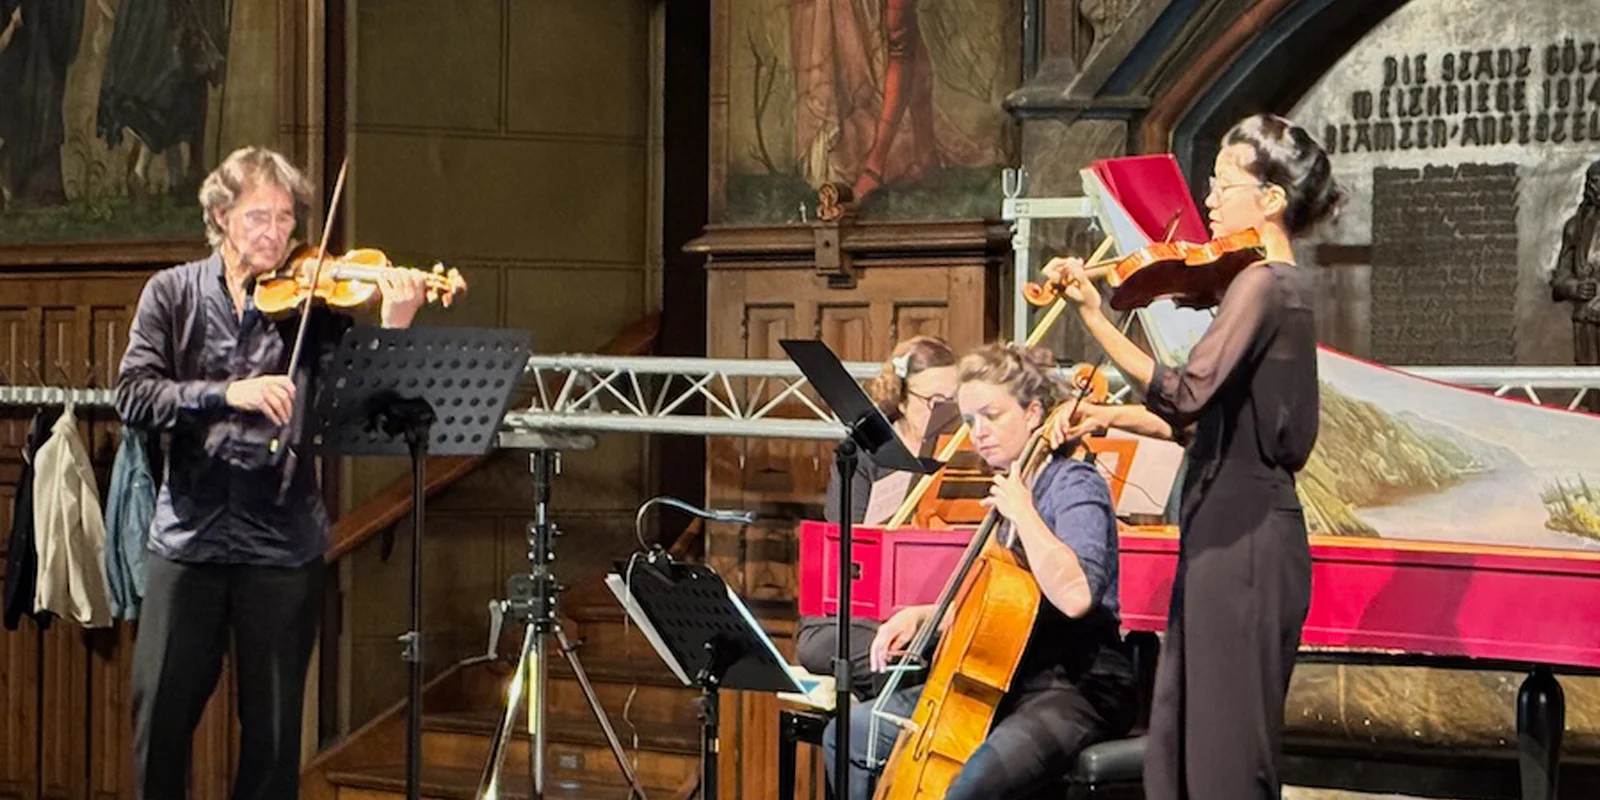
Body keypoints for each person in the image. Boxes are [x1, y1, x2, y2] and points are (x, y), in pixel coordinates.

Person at [1045, 112, 1344, 800]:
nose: (1208, 200)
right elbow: (1202, 427)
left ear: (1270, 200)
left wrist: (1093, 317)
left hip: (1242, 544)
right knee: (1187, 739)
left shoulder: (1264, 285)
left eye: (1223, 183)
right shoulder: (1271, 288)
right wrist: (1107, 413)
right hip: (1227, 533)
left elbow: (1184, 393)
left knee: (1224, 758)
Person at [116, 146, 430, 799]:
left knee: (275, 741)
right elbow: (135, 395)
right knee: (161, 725)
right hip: (188, 544)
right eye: (260, 218)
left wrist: (394, 324)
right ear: (221, 216)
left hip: (283, 545)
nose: (277, 235)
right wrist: (226, 393)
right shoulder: (171, 294)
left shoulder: (315, 310)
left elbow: (369, 407)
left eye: (286, 220)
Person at [821, 342, 1137, 800]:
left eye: (992, 415)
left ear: (1033, 413)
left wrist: (1025, 514)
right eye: (969, 421)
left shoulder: (1073, 483)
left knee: (969, 787)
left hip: (1074, 686)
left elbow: (1076, 596)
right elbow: (1003, 603)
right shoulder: (1009, 485)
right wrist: (927, 615)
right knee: (848, 733)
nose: (978, 433)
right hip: (1003, 681)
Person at [796, 335, 959, 700]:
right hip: (864, 606)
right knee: (824, 646)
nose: (944, 413)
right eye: (934, 402)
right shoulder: (865, 454)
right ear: (902, 397)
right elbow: (844, 545)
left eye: (952, 402)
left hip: (928, 605)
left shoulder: (964, 452)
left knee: (915, 654)